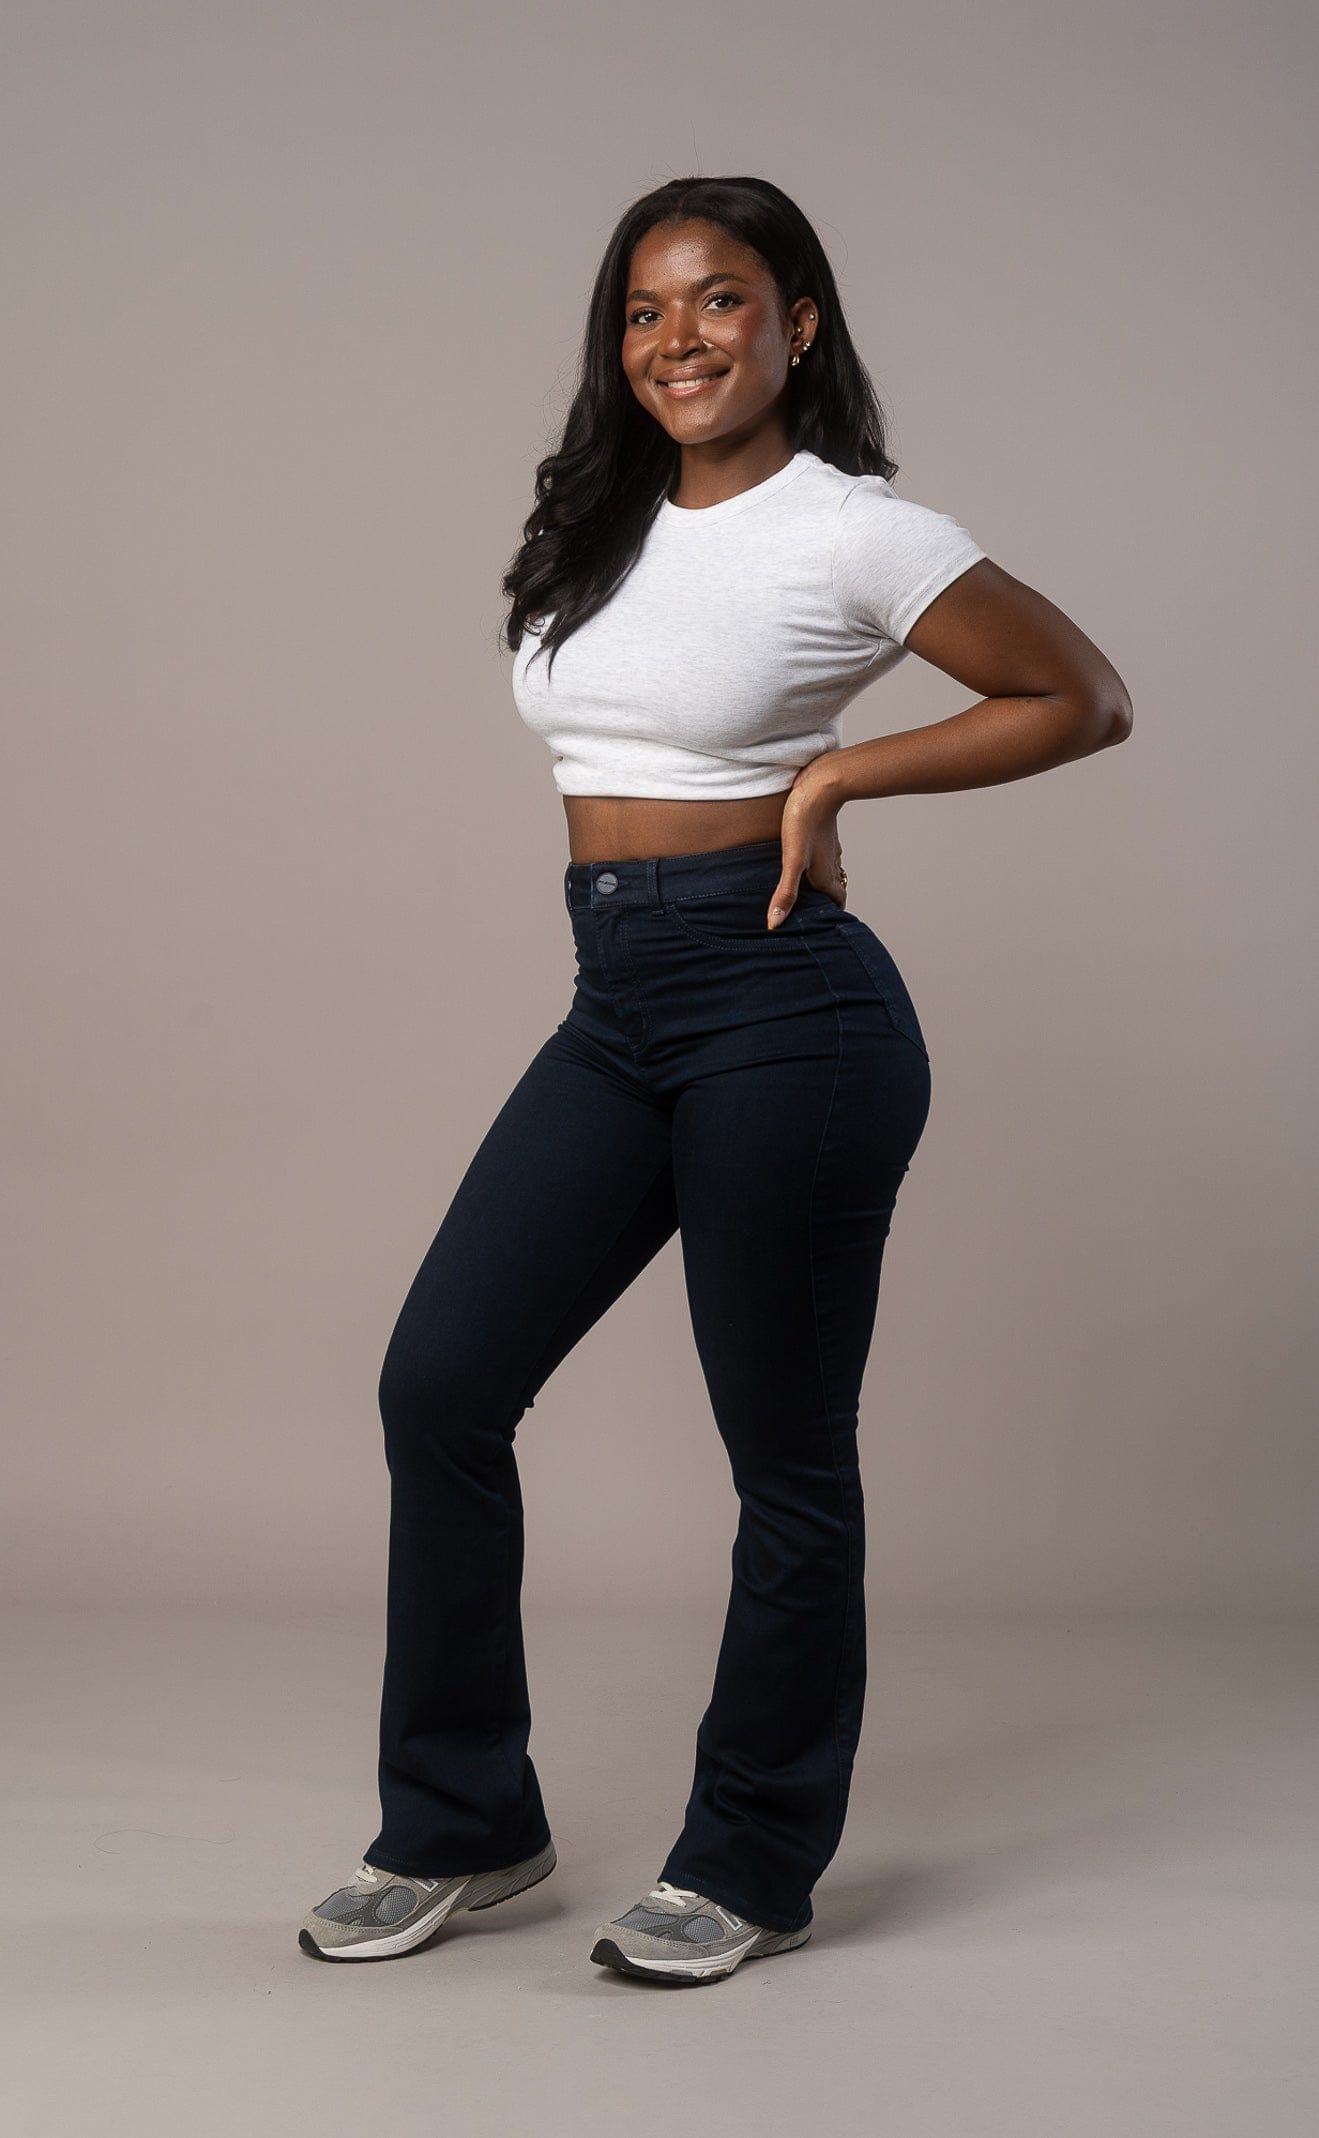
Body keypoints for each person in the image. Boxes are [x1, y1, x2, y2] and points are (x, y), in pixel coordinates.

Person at [298, 174, 1132, 1984]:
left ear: (797, 323)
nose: (678, 338)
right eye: (644, 310)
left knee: (784, 1456)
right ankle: (463, 1818)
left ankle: (749, 1856)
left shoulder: (854, 530)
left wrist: (837, 779)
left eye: (721, 299)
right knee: (440, 1382)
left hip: (786, 1013)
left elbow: (1079, 694)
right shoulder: (601, 527)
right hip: (617, 1000)